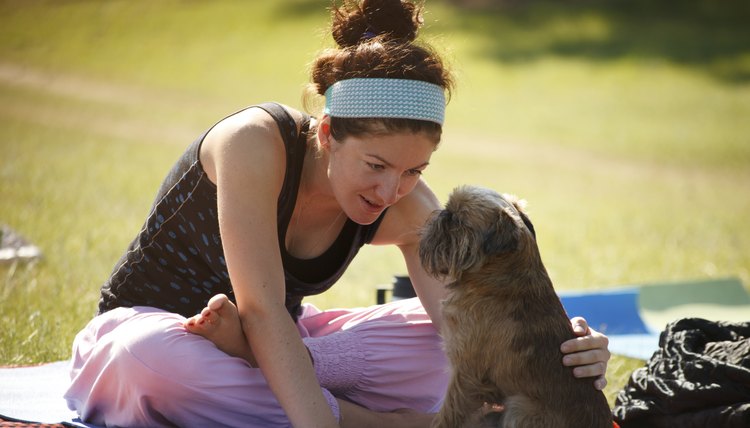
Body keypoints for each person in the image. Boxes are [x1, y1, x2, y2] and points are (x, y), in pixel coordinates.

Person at [64, 1, 611, 427]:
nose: (392, 189)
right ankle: (371, 422)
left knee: (444, 346)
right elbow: (261, 310)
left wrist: (560, 353)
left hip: (280, 339)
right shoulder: (253, 143)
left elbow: (466, 320)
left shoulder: (403, 201)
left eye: (414, 170)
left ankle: (261, 366)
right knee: (154, 362)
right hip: (144, 337)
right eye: (376, 164)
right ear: (328, 133)